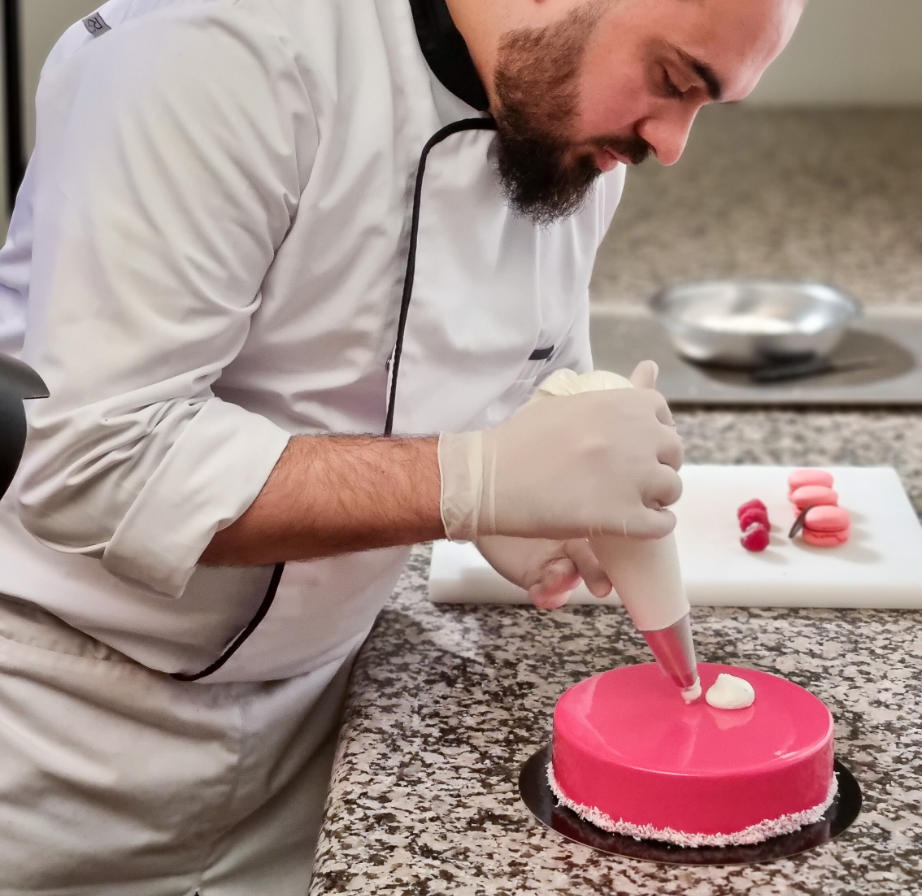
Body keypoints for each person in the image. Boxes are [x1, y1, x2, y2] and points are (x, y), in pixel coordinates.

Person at [0, 0, 804, 892]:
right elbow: (95, 461)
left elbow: (530, 378)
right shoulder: (214, 50)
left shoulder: (563, 127)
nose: (673, 143)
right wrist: (469, 479)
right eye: (672, 81)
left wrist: (545, 483)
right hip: (58, 732)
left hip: (319, 727)